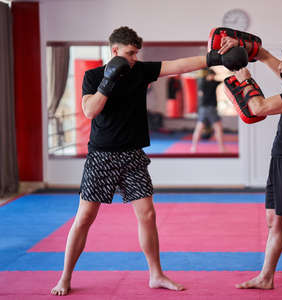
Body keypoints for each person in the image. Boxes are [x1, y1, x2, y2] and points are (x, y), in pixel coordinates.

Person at [50, 26, 243, 296]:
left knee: (148, 215)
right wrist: (108, 80)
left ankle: (156, 274)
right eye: (129, 53)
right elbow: (90, 110)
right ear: (115, 51)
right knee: (84, 218)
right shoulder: (93, 76)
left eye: (136, 53)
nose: (134, 59)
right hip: (102, 157)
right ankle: (65, 277)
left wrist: (216, 58)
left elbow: (177, 65)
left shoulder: (139, 71)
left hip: (133, 156)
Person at [220, 39, 282, 296]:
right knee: (273, 221)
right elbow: (265, 56)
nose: (280, 68)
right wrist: (240, 42)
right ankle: (266, 277)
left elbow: (258, 107)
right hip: (279, 159)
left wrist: (246, 80)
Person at [190, 69, 226, 153]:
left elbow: (200, 94)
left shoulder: (202, 83)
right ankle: (221, 148)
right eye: (213, 75)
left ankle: (193, 148)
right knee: (218, 128)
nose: (213, 77)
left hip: (202, 108)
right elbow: (223, 81)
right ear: (211, 75)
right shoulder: (213, 83)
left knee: (199, 128)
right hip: (211, 108)